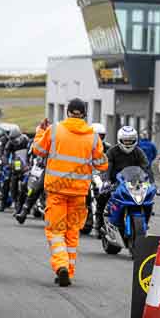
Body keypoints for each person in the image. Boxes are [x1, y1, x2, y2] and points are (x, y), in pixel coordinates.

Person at [32, 98, 108, 286]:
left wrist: (40, 131)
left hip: (57, 191)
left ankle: (61, 266)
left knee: (55, 230)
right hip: (79, 193)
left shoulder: (55, 130)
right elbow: (102, 164)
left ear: (68, 112)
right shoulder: (93, 136)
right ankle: (69, 272)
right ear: (84, 114)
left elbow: (38, 151)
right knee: (72, 232)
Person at [93, 125, 149, 235]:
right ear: (120, 140)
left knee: (146, 200)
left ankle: (143, 222)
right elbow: (107, 167)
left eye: (130, 141)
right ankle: (99, 222)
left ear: (135, 140)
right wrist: (106, 181)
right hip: (115, 182)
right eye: (125, 141)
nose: (128, 143)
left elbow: (146, 167)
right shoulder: (112, 151)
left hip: (134, 183)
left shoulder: (139, 152)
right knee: (102, 196)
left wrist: (150, 181)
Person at [0, 125, 31, 211]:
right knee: (7, 180)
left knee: (30, 182)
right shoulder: (9, 143)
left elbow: (32, 152)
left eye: (15, 139)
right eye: (12, 140)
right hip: (15, 164)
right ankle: (4, 202)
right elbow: (5, 154)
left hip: (27, 165)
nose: (14, 142)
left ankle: (29, 203)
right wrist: (6, 164)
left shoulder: (26, 140)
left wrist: (30, 163)